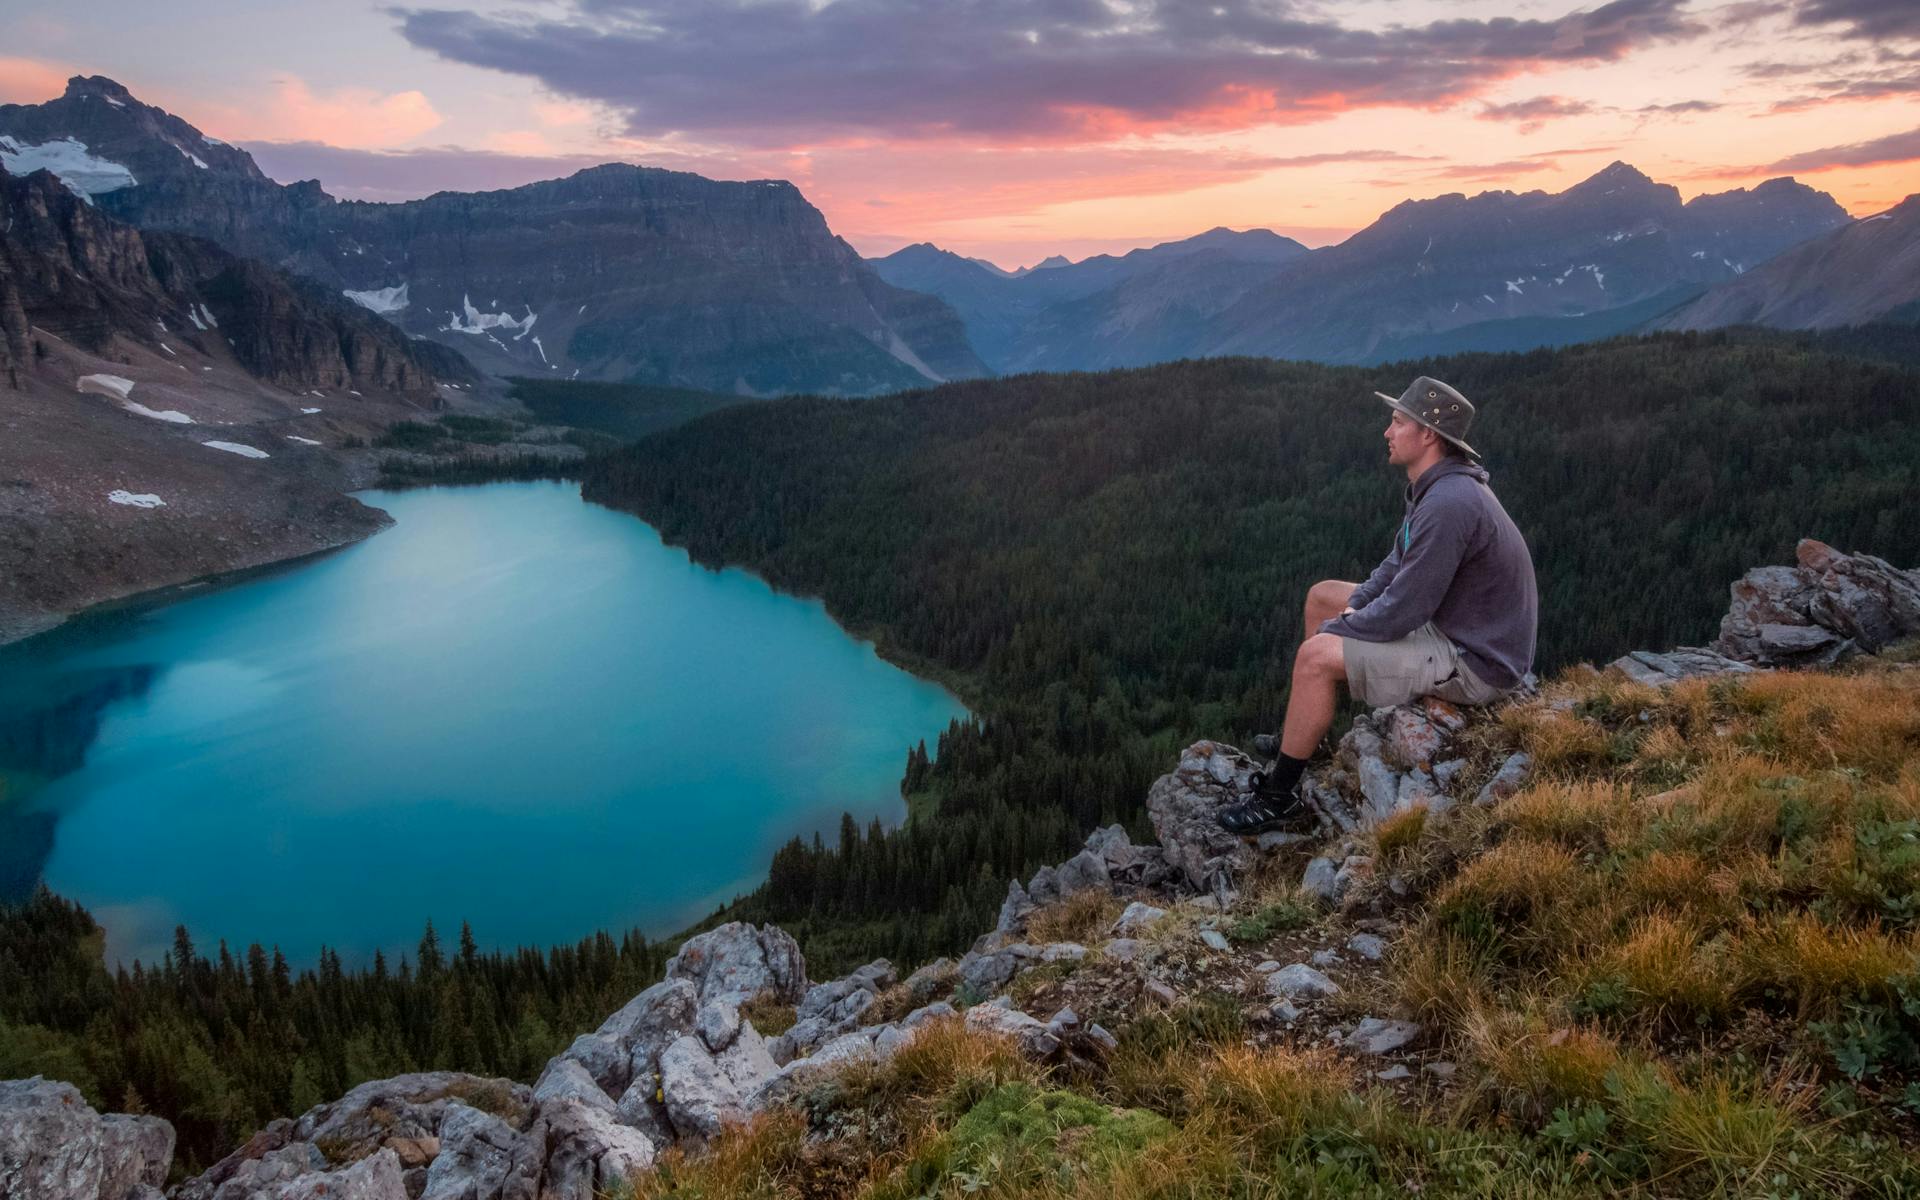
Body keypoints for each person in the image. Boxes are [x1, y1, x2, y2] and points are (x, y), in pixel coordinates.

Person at [1216, 376, 1538, 834]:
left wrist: (1343, 629)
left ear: (1428, 435)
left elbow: (1406, 609)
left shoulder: (1449, 503)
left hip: (1477, 661)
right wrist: (1351, 610)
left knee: (1314, 658)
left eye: (1397, 422)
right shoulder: (1435, 487)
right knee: (1321, 596)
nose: (1387, 432)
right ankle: (1309, 735)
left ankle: (1278, 797)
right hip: (1458, 627)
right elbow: (1394, 567)